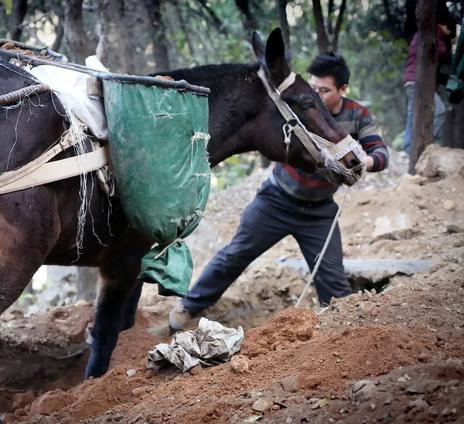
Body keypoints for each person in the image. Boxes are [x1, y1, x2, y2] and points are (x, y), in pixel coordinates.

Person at [169, 53, 389, 331]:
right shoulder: (300, 104)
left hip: (319, 212)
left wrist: (363, 161)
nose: (317, 95)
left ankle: (341, 337)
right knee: (235, 255)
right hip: (276, 201)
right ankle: (188, 307)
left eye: (325, 91)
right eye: (314, 88)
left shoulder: (357, 115)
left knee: (333, 282)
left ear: (343, 90)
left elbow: (380, 152)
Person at [402, 14, 455, 154]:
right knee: (440, 111)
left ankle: (408, 148)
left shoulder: (420, 33)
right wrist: (449, 40)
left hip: (410, 80)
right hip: (418, 81)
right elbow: (442, 52)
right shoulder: (433, 32)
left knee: (412, 114)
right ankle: (427, 142)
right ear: (444, 25)